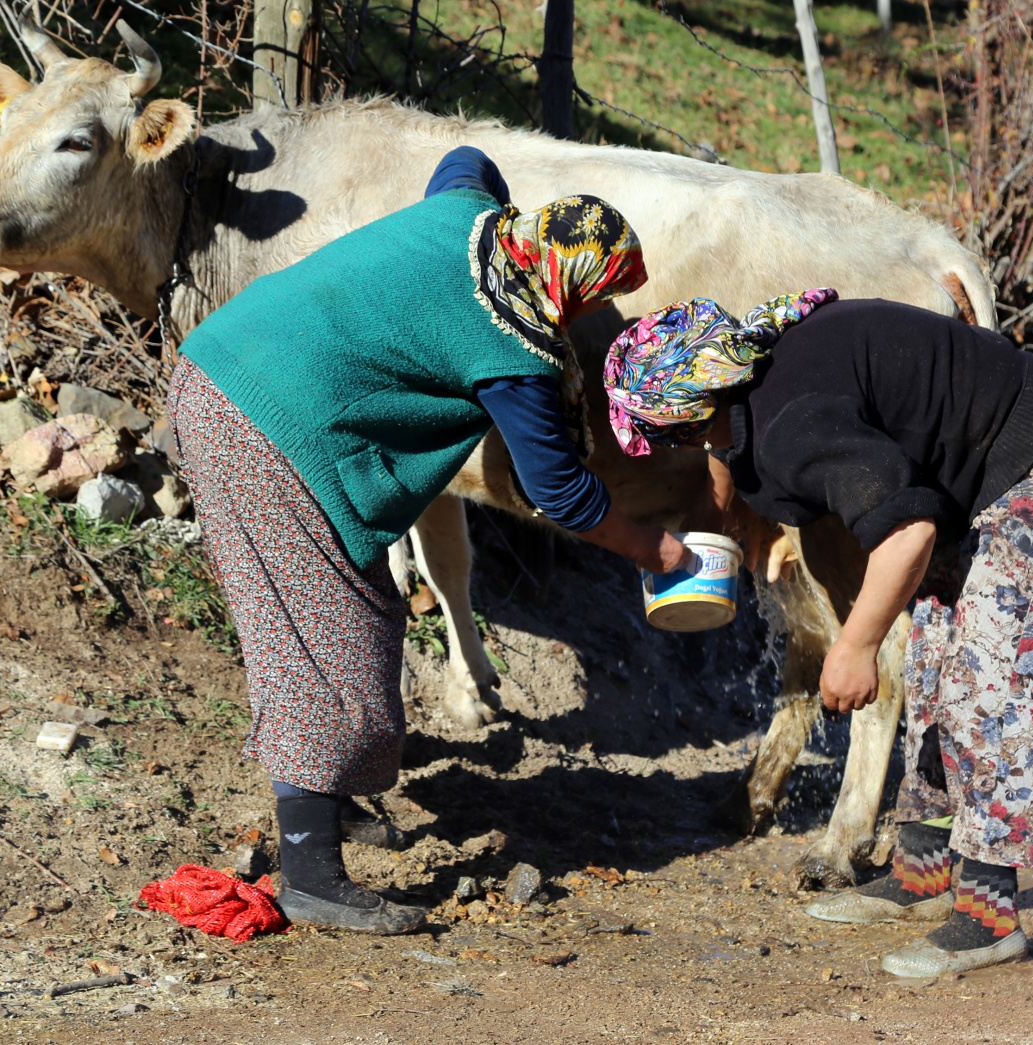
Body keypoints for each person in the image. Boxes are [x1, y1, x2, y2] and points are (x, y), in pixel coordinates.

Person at [170, 147, 689, 934]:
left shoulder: (469, 216)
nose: (588, 314)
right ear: (574, 283)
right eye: (599, 295)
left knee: (366, 609)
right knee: (325, 640)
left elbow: (466, 157)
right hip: (261, 424)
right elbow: (558, 492)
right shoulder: (514, 350)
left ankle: (324, 804)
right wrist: (656, 550)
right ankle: (310, 872)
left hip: (227, 367)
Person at [602, 290, 1033, 976]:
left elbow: (908, 531)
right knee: (936, 665)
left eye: (663, 434)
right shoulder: (748, 381)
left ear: (690, 413)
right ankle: (923, 872)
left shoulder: (792, 426)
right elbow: (725, 453)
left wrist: (853, 644)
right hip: (987, 468)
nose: (668, 447)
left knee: (993, 684)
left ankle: (990, 916)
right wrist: (714, 523)